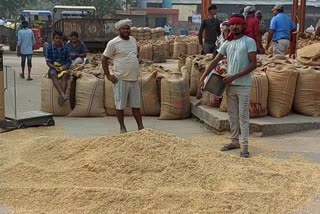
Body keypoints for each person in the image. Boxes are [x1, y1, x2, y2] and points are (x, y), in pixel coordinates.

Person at [200, 14, 257, 158]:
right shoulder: (227, 43)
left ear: (243, 26)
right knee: (232, 115)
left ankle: (244, 146)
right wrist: (204, 75)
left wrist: (234, 76)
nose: (234, 27)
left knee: (243, 116)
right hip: (230, 86)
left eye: (238, 24)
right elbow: (214, 61)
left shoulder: (249, 42)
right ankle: (234, 141)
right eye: (232, 24)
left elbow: (253, 64)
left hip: (243, 85)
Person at [101, 19, 144, 134]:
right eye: (123, 29)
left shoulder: (133, 40)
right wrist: (108, 75)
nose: (126, 30)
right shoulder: (113, 43)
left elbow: (136, 53)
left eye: (128, 28)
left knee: (136, 106)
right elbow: (104, 59)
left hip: (134, 79)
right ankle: (122, 128)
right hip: (120, 79)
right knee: (120, 106)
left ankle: (141, 128)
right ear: (119, 30)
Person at [45, 30, 72, 105]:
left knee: (65, 76)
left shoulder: (66, 49)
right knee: (53, 74)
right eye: (56, 38)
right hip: (53, 68)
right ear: (53, 39)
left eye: (60, 38)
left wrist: (64, 67)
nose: (58, 40)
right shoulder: (49, 48)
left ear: (62, 40)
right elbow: (48, 62)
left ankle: (61, 97)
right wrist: (54, 67)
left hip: (63, 68)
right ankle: (63, 94)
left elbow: (69, 62)